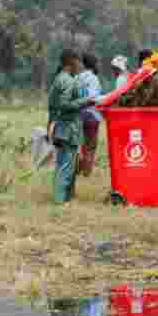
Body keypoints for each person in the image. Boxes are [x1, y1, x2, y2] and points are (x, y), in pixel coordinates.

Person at [47, 49, 95, 204]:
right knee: (66, 166)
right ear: (71, 62)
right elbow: (64, 104)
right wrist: (86, 101)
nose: (80, 65)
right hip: (68, 128)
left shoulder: (60, 78)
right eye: (78, 62)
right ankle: (60, 200)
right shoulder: (67, 80)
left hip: (62, 127)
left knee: (64, 164)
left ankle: (64, 197)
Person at [76, 53, 103, 177]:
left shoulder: (77, 77)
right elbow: (93, 98)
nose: (99, 66)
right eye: (98, 63)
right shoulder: (93, 78)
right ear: (93, 64)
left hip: (78, 114)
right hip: (91, 115)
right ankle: (86, 173)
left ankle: (77, 169)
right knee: (90, 146)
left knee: (80, 144)